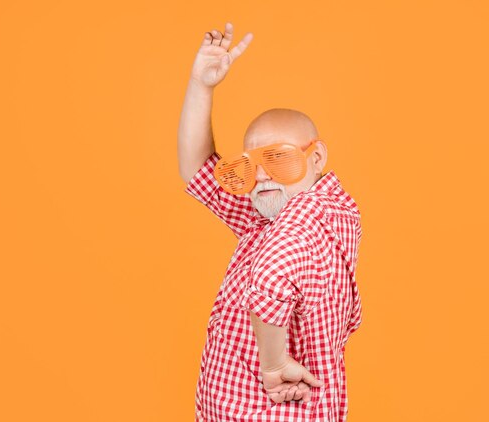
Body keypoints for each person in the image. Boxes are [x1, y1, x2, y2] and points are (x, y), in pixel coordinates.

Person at [178, 22, 363, 422]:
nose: (260, 176)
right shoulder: (271, 216)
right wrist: (201, 85)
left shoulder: (310, 214)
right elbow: (198, 171)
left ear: (317, 158)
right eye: (248, 166)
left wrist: (275, 364)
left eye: (277, 159)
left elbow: (272, 279)